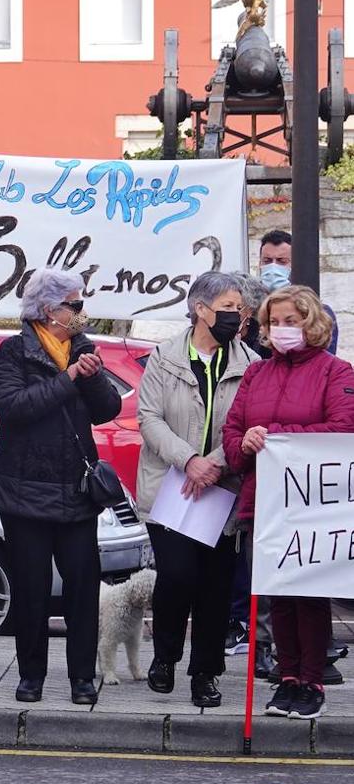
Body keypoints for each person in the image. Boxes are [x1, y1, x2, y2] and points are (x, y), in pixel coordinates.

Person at [0, 268, 122, 705]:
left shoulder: (83, 348)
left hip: (76, 491)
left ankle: (83, 677)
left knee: (83, 588)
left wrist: (93, 374)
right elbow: (14, 407)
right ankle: (31, 676)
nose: (82, 312)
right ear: (49, 310)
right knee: (31, 588)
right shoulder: (13, 351)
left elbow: (108, 410)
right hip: (24, 492)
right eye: (75, 305)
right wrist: (69, 379)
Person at [223, 286, 354, 721]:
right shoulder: (257, 375)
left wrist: (273, 431)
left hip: (313, 504)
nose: (281, 330)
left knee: (309, 594)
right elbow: (233, 431)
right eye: (274, 322)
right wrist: (246, 441)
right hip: (266, 500)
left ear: (310, 323)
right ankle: (289, 676)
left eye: (290, 322)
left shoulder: (337, 372)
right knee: (278, 591)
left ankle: (312, 679)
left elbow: (342, 429)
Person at [136, 272, 256, 708]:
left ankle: (205, 673)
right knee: (178, 575)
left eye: (240, 309)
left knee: (215, 587)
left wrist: (214, 465)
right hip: (170, 488)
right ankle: (165, 656)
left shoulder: (249, 363)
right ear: (200, 309)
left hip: (222, 490)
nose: (237, 316)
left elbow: (245, 425)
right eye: (228, 306)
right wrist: (188, 460)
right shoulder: (164, 358)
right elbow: (148, 418)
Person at [257, 229, 339, 354]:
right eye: (267, 261)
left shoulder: (319, 312)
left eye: (281, 261)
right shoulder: (250, 309)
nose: (273, 267)